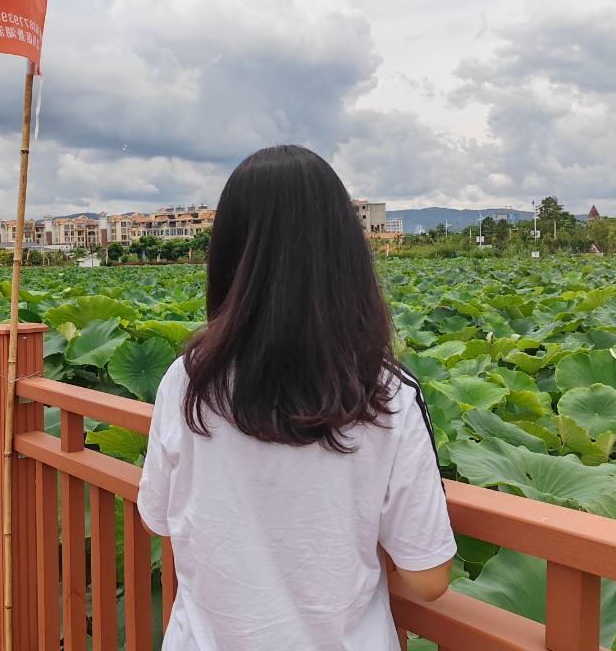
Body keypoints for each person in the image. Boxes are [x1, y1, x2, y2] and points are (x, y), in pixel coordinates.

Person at [138, 145, 455, 650]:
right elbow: (428, 579)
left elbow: (157, 517)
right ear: (345, 256)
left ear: (228, 256)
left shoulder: (187, 380)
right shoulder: (385, 393)